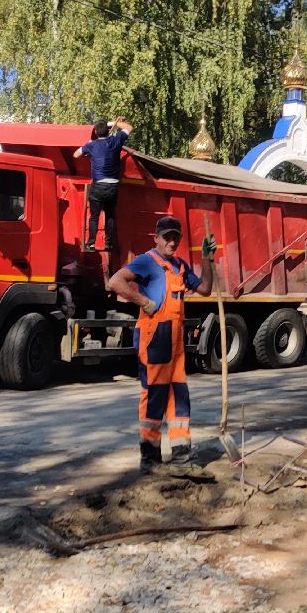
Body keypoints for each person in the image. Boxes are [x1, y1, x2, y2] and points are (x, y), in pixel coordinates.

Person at [106, 215, 215, 476]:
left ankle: (181, 456)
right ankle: (150, 457)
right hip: (155, 336)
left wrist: (208, 259)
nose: (172, 240)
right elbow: (115, 281)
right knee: (154, 397)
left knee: (179, 398)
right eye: (167, 236)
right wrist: (143, 302)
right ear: (156, 238)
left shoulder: (179, 266)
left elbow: (206, 289)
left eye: (175, 236)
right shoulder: (147, 261)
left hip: (176, 340)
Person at [73, 117, 131, 251]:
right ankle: (108, 244)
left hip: (98, 185)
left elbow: (76, 155)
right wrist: (111, 123)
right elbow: (129, 128)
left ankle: (91, 243)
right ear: (108, 130)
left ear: (97, 132)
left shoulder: (91, 145)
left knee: (94, 216)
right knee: (110, 215)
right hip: (113, 185)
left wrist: (87, 150)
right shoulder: (116, 140)